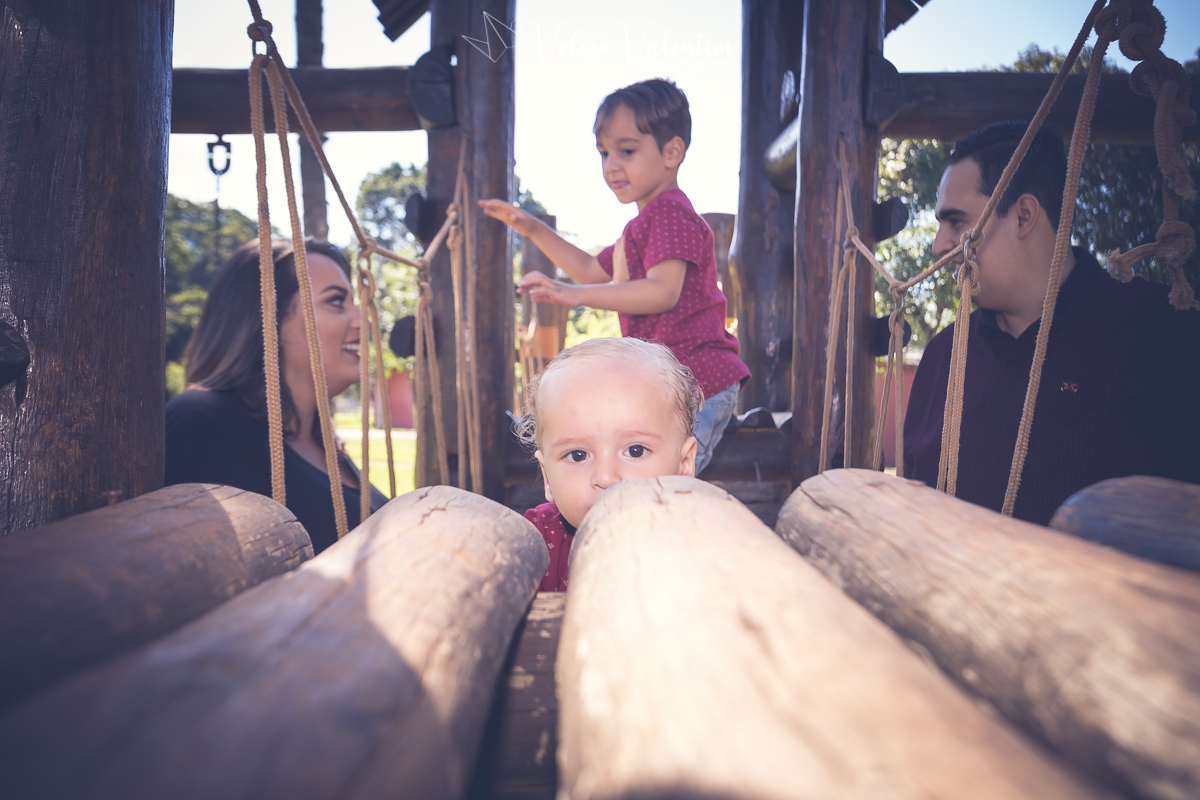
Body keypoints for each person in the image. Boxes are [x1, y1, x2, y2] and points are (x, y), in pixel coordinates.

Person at [904, 121, 1200, 526]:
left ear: (1024, 216)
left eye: (956, 222)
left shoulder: (1156, 332)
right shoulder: (942, 357)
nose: (939, 245)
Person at [480, 78, 749, 475]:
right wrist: (532, 227)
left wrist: (574, 295)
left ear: (672, 151)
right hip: (672, 380)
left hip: (699, 380)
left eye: (626, 151)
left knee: (669, 481)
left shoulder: (670, 214)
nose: (611, 165)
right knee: (651, 481)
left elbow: (662, 292)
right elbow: (591, 270)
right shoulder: (640, 227)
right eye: (604, 153)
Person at [166, 238, 387, 553]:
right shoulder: (202, 421)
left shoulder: (322, 442)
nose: (362, 320)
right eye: (337, 301)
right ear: (268, 318)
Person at [516, 338, 702, 591]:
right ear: (547, 476)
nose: (606, 477)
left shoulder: (705, 543)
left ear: (684, 464)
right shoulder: (533, 544)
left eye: (635, 451)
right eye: (577, 455)